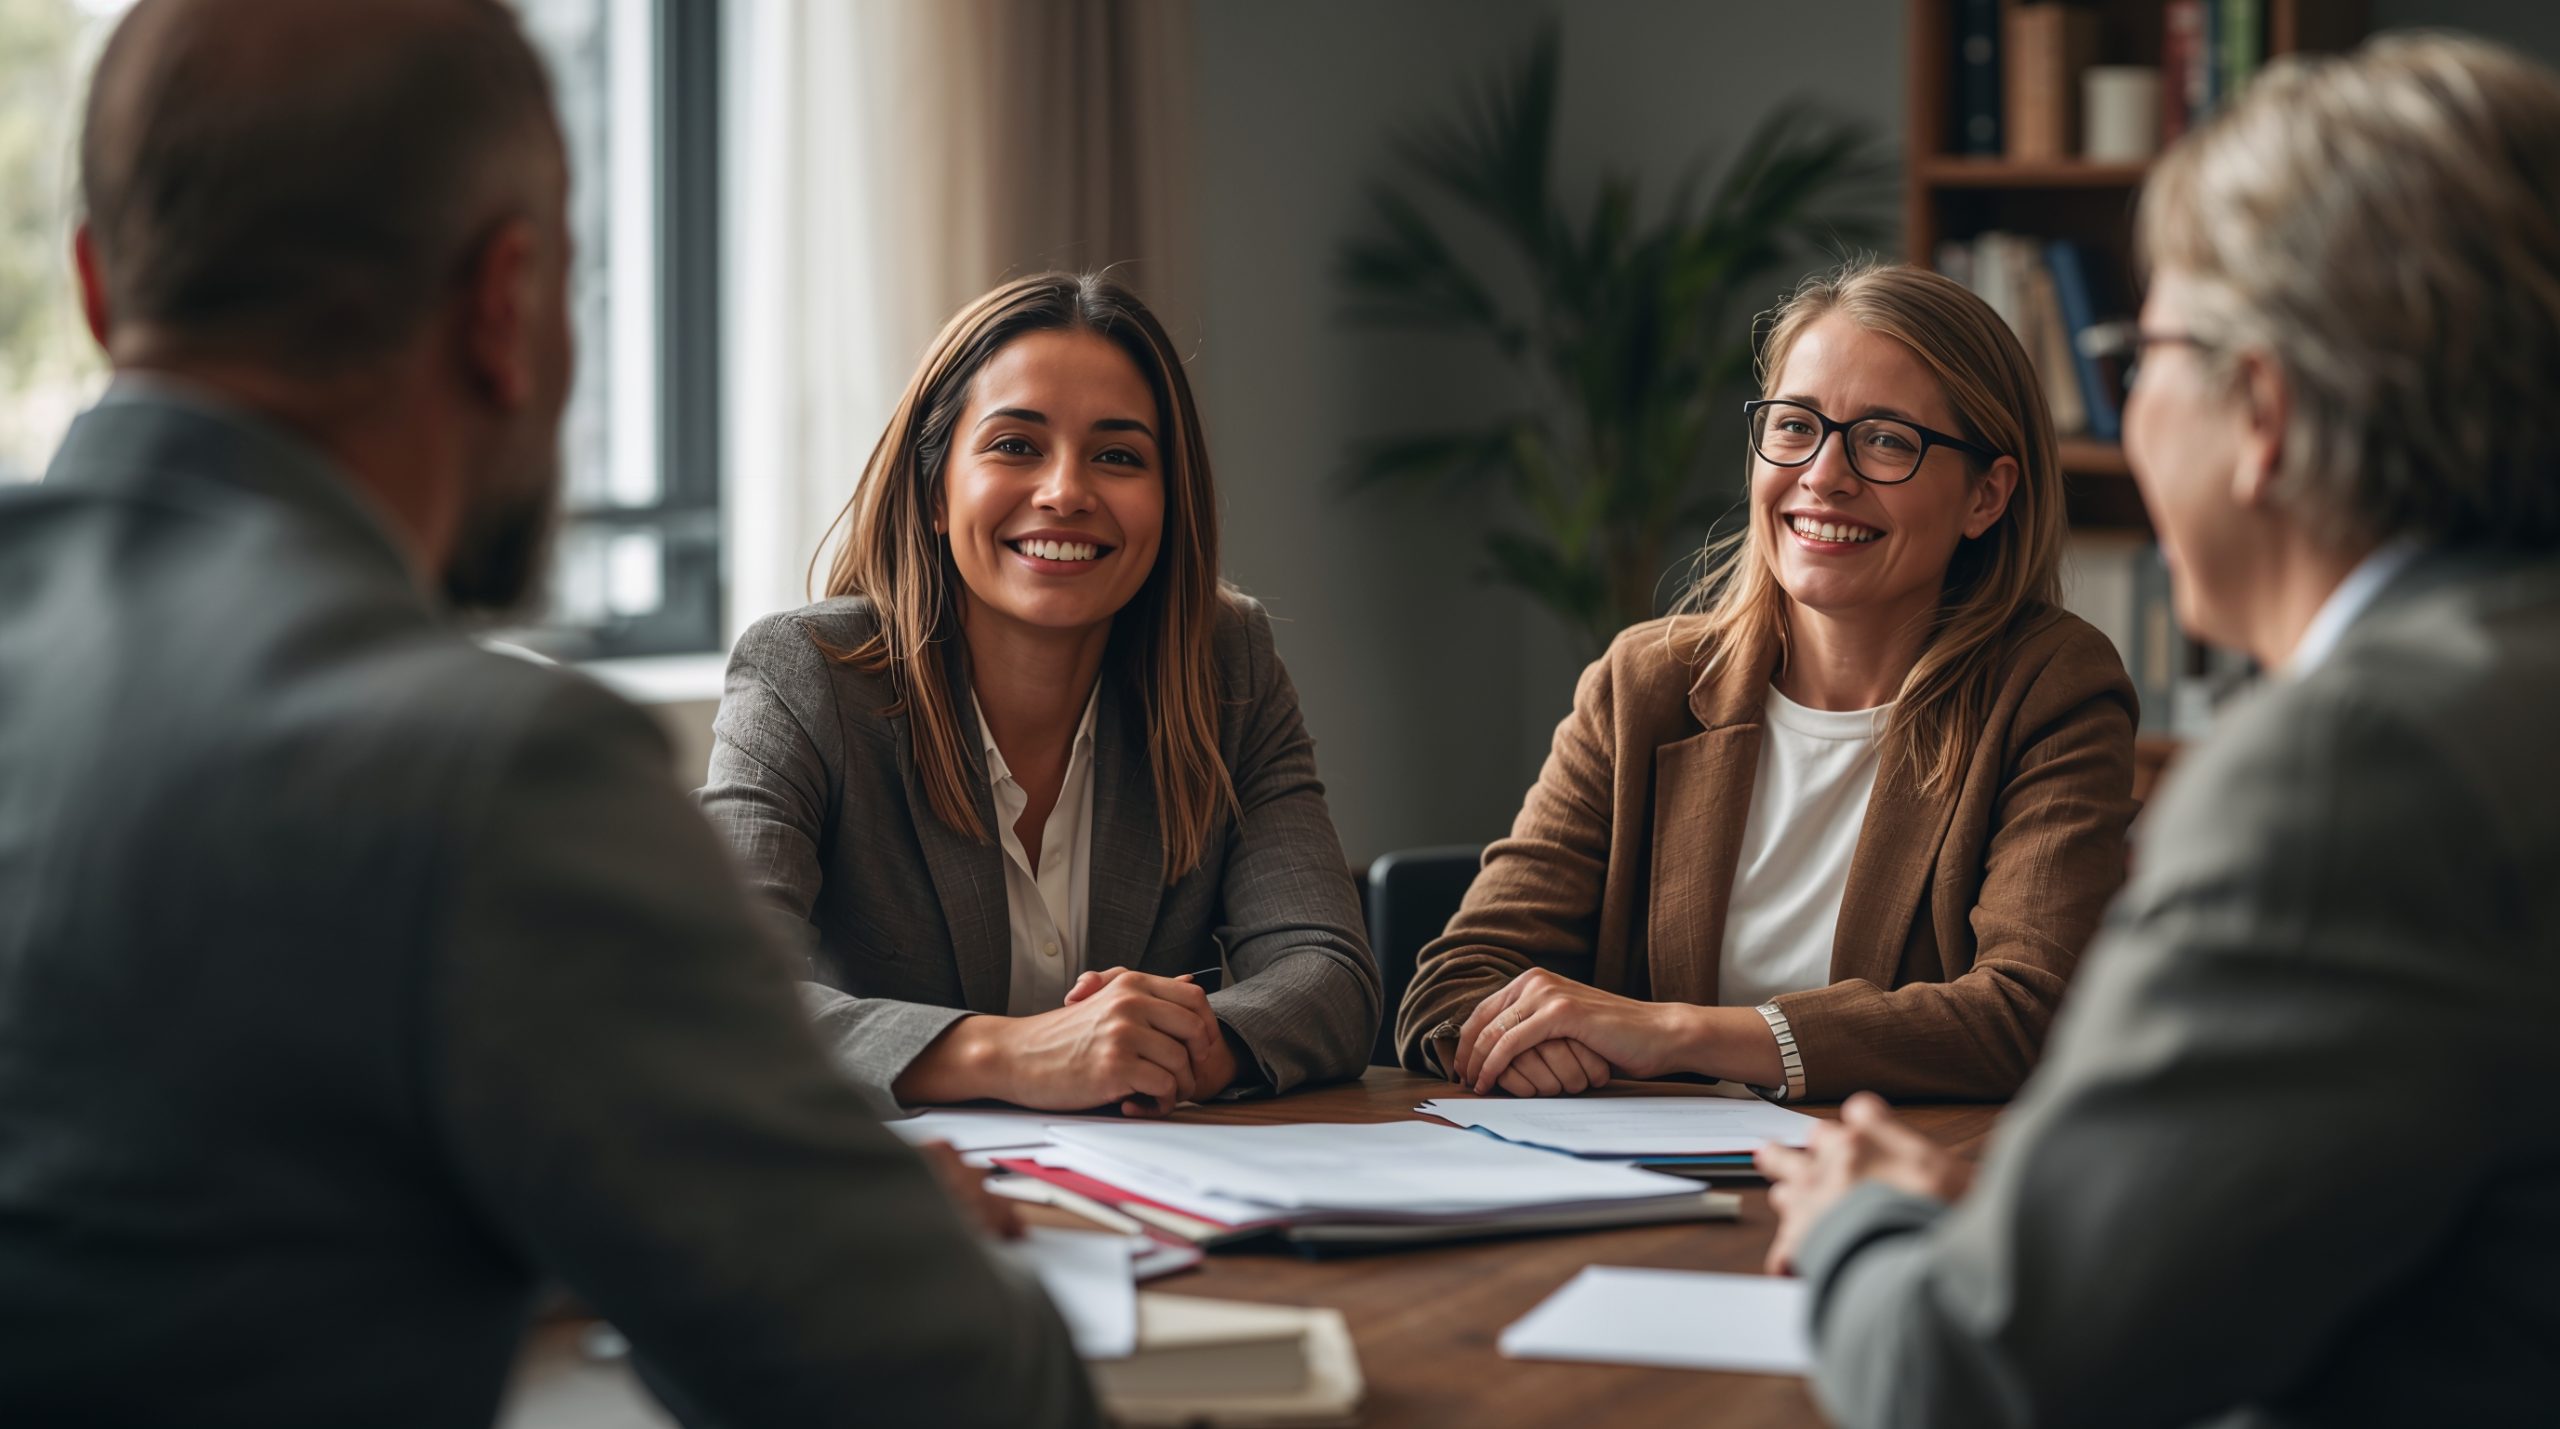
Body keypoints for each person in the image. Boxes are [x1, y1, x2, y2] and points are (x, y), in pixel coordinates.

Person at [0, 2, 1094, 1424]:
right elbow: (968, 1395)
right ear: (506, 305)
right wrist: (871, 1229)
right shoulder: (488, 775)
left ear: (95, 286)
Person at [1761, 34, 2560, 1427]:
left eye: (2144, 356)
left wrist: (1858, 1219)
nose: (2129, 411)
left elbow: (1976, 1373)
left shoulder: (2352, 768)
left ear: (2263, 413)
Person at [1396, 261, 2138, 1103]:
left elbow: (2025, 1012)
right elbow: (1458, 979)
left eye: (1886, 439)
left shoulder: (2050, 690)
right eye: (1794, 426)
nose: (1824, 474)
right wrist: (1531, 1046)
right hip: (1638, 1171)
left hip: (1895, 1173)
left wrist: (1677, 1031)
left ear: (1987, 495)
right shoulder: (1645, 687)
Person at [700, 272, 1380, 1117]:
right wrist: (1007, 1053)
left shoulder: (1226, 667)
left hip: (1155, 1182)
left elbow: (1329, 973)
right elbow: (715, 992)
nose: (1066, 491)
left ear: (1169, 504)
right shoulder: (805, 674)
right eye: (1016, 445)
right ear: (935, 491)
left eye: (1118, 456)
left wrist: (1188, 1049)